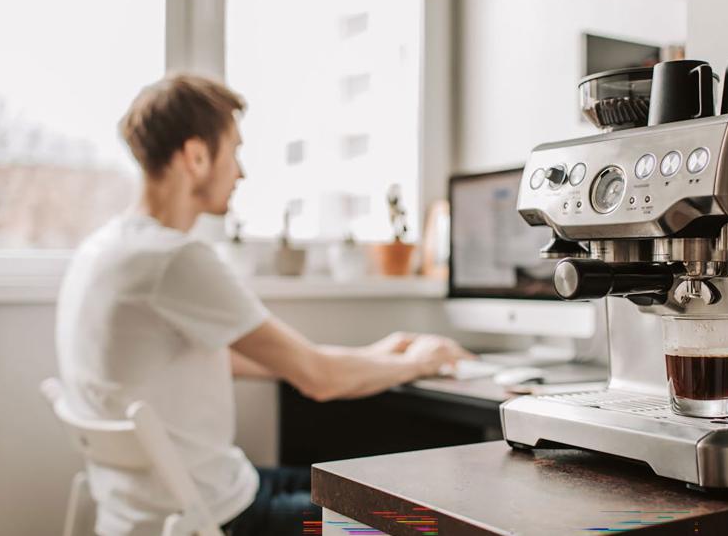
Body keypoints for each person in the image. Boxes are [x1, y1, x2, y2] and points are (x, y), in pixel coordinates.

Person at [55, 74, 472, 536]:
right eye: (234, 150)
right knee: (417, 523)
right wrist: (416, 362)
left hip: (152, 509)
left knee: (361, 484)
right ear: (196, 156)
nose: (241, 172)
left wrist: (379, 353)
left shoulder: (104, 250)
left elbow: (239, 362)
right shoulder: (174, 259)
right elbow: (317, 378)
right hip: (226, 518)